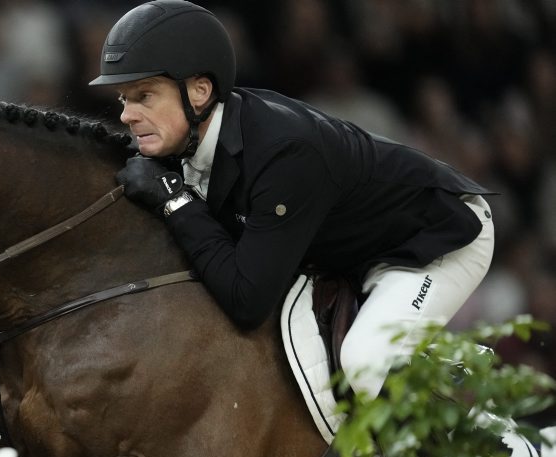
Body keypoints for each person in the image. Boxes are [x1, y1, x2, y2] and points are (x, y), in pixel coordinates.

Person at [90, 0, 495, 398]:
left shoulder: (284, 154)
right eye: (124, 98)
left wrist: (175, 201)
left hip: (434, 236)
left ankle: (485, 430)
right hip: (353, 247)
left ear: (199, 91)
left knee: (364, 363)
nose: (126, 115)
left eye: (144, 96)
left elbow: (247, 302)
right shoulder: (188, 137)